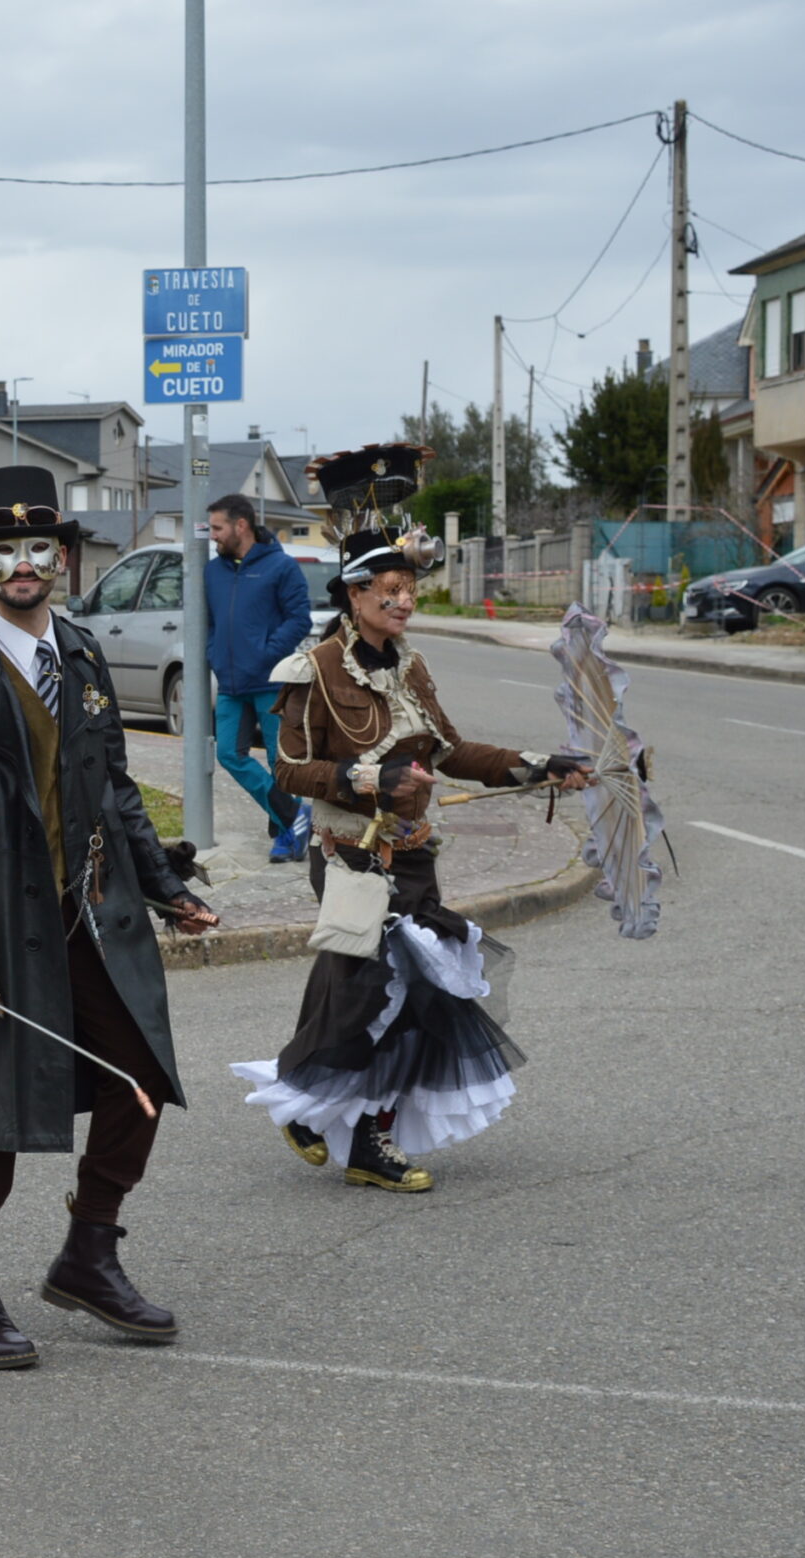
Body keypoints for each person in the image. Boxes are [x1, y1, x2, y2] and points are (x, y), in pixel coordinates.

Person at [0, 465, 218, 1371]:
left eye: (41, 547)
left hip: (93, 914)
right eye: (4, 549)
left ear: (66, 561)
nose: (24, 564)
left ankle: (89, 1253)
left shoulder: (80, 655)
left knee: (141, 1080)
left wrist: (165, 887)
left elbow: (115, 787)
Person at [231, 447, 590, 1193]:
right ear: (354, 593)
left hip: (413, 855)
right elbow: (291, 768)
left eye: (409, 589)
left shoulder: (412, 665)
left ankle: (348, 1127)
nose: (403, 601)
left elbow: (454, 750)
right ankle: (335, 1119)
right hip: (349, 856)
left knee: (408, 1000)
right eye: (389, 589)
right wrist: (372, 777)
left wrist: (537, 765)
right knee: (371, 996)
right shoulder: (317, 670)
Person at [205, 491, 315, 863]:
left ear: (241, 525)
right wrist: (213, 653)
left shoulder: (281, 567)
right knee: (229, 755)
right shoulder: (213, 571)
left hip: (271, 683)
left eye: (218, 528)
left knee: (278, 762)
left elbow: (299, 618)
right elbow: (210, 622)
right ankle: (296, 817)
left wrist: (268, 654)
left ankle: (287, 835)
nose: (213, 535)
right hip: (231, 684)